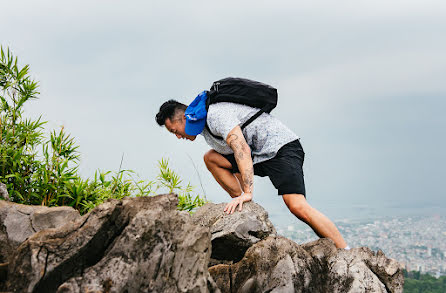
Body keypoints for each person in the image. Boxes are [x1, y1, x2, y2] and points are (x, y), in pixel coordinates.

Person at [155, 91, 349, 249]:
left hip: (280, 148)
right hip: (259, 155)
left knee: (297, 206)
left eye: (174, 131)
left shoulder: (215, 115)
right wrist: (243, 197)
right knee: (211, 158)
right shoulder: (204, 127)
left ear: (183, 117)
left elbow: (241, 149)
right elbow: (236, 159)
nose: (178, 137)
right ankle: (245, 208)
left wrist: (248, 192)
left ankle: (345, 251)